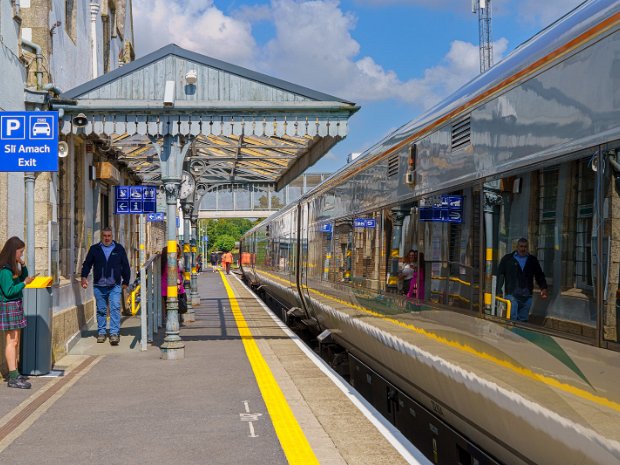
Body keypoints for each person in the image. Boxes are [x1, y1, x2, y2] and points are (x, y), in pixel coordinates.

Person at [81, 227, 130, 345]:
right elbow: (87, 264)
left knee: (115, 308)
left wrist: (126, 281)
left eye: (109, 236)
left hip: (115, 285)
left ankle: (114, 334)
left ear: (112, 236)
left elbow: (125, 266)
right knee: (101, 310)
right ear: (101, 236)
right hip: (99, 285)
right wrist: (84, 277)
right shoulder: (95, 249)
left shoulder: (119, 249)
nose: (107, 238)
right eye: (105, 236)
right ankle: (102, 332)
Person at [0, 237, 35, 389]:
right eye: (20, 252)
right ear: (13, 251)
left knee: (15, 341)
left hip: (15, 305)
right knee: (11, 341)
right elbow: (8, 291)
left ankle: (15, 372)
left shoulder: (12, 267)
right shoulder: (5, 270)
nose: (21, 255)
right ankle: (13, 376)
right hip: (9, 305)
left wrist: (23, 265)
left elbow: (22, 276)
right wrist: (24, 284)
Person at [496, 238, 548, 322]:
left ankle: (518, 334)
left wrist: (543, 287)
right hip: (512, 295)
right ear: (517, 247)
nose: (523, 249)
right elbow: (501, 274)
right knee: (512, 318)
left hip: (527, 296)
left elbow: (539, 275)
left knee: (523, 321)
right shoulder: (507, 259)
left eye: (525, 247)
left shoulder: (532, 260)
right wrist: (498, 290)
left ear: (527, 247)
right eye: (521, 246)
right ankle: (510, 334)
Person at [160, 244, 186, 322]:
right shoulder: (171, 262)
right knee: (176, 303)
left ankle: (169, 319)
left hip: (164, 286)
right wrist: (178, 283)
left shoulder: (162, 262)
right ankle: (173, 320)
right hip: (172, 285)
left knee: (167, 304)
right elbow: (173, 273)